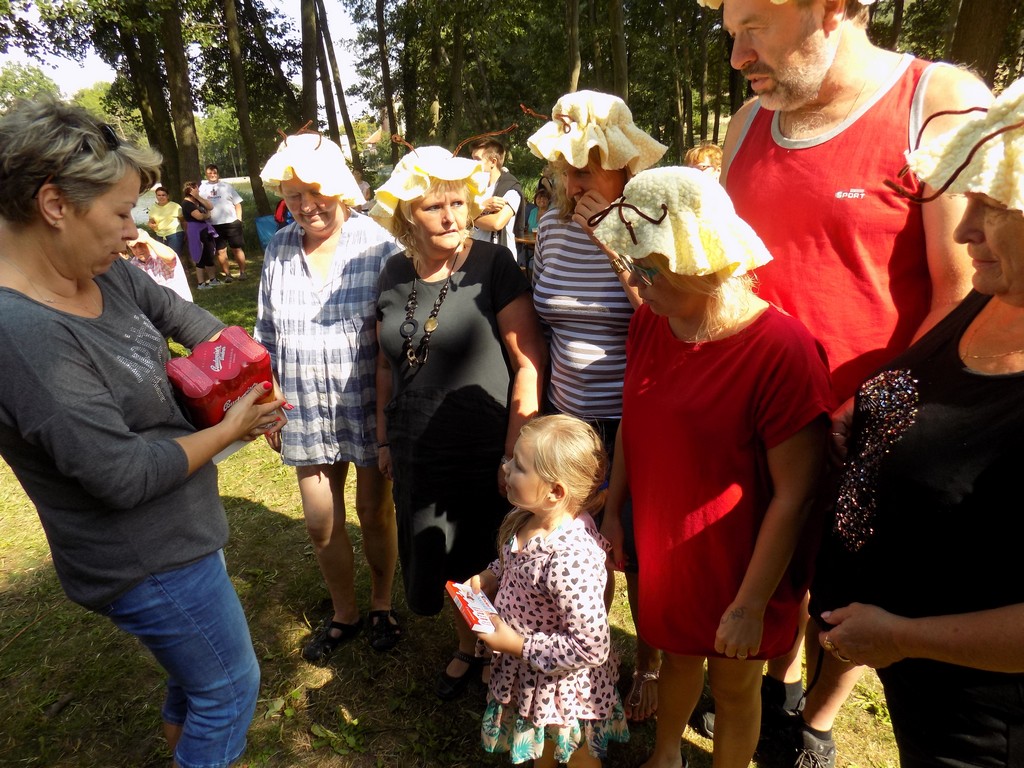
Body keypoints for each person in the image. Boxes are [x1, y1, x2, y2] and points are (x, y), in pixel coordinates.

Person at [708, 0, 993, 760]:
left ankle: (815, 723)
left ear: (833, 9)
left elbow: (964, 293)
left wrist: (873, 407)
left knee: (847, 592)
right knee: (769, 569)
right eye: (731, 33)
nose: (738, 56)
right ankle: (777, 686)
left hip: (874, 426)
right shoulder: (746, 123)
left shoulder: (937, 102)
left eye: (755, 27)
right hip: (758, 421)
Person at [0, 98, 287, 768]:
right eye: (122, 212)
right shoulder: (22, 335)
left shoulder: (102, 270)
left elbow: (189, 321)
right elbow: (121, 476)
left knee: (196, 676)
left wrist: (250, 372)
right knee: (228, 688)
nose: (136, 231)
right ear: (54, 205)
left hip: (181, 528)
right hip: (141, 558)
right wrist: (232, 427)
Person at [809, 76, 1024, 768]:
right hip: (918, 683)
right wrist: (871, 417)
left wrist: (903, 636)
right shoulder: (997, 294)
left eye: (993, 205)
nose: (963, 230)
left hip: (984, 724)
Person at [592, 166, 832, 768]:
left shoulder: (781, 350)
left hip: (739, 561)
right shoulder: (651, 321)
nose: (635, 282)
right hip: (667, 546)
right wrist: (615, 510)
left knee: (733, 683)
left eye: (648, 269)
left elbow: (796, 494)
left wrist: (750, 605)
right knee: (677, 658)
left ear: (695, 263)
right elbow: (634, 423)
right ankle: (666, 755)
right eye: (632, 265)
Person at [368, 145, 546, 701]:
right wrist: (384, 437)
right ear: (407, 215)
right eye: (434, 207)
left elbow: (528, 364)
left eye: (458, 203)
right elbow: (384, 363)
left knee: (486, 556)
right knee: (440, 554)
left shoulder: (493, 266)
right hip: (416, 445)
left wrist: (513, 455)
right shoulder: (393, 271)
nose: (450, 217)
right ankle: (469, 643)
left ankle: (498, 651)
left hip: (484, 444)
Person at [526, 88, 668, 723]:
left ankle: (650, 663)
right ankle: (591, 659)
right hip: (568, 416)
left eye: (588, 164)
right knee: (576, 546)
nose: (574, 179)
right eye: (567, 165)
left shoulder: (648, 221)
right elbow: (543, 317)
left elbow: (665, 317)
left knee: (633, 545)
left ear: (623, 164)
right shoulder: (552, 226)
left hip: (633, 416)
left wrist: (609, 238)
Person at [255, 132, 404, 662]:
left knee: (374, 511)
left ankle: (382, 602)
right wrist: (268, 399)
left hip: (366, 404)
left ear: (339, 187)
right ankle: (345, 612)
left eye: (315, 192)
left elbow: (399, 336)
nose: (307, 206)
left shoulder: (380, 245)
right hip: (303, 408)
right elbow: (266, 333)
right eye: (294, 196)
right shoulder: (278, 248)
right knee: (321, 521)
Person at [467, 414, 629, 766]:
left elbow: (591, 646)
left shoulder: (570, 559)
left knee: (576, 753)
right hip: (532, 676)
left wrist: (517, 645)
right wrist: (492, 575)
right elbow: (515, 559)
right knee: (544, 745)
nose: (506, 468)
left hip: (563, 689)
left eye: (518, 465)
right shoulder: (530, 517)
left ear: (555, 492)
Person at [468, 138, 524, 261]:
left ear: (493, 162)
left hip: (499, 260)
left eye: (477, 159)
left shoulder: (511, 188)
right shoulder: (473, 187)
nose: (472, 163)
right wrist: (482, 206)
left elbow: (496, 223)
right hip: (473, 256)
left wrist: (468, 217)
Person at [199, 163, 249, 282]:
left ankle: (242, 272)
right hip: (213, 225)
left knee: (236, 249)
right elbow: (198, 204)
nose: (212, 175)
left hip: (231, 223)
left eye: (214, 173)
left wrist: (239, 219)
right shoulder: (202, 188)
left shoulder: (227, 186)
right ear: (206, 174)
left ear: (218, 174)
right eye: (210, 173)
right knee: (220, 251)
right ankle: (228, 275)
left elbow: (238, 204)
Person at [125, 229, 194, 301]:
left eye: (141, 245)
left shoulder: (161, 255)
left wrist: (147, 239)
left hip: (179, 303)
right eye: (134, 247)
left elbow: (170, 257)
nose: (139, 250)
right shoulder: (133, 265)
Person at [181, 180, 220, 290]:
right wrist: (207, 215)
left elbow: (210, 206)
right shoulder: (187, 204)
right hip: (196, 231)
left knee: (209, 254)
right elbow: (199, 216)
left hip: (205, 229)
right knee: (200, 255)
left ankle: (213, 280)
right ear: (190, 190)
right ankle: (201, 283)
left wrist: (198, 197)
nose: (198, 190)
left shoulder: (197, 201)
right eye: (196, 188)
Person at [147, 185, 188, 271]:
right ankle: (166, 274)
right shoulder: (153, 208)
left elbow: (183, 220)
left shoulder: (175, 206)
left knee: (173, 257)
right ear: (156, 196)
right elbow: (151, 221)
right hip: (160, 235)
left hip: (175, 235)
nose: (161, 197)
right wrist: (151, 224)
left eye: (163, 195)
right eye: (159, 195)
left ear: (168, 196)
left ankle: (177, 273)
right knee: (162, 257)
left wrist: (185, 233)